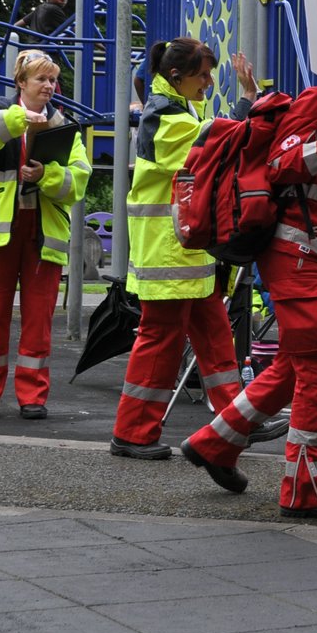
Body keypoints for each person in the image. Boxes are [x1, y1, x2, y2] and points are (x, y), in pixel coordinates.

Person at [180, 83, 317, 519]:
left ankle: (215, 442)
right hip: (298, 256)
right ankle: (307, 491)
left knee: (291, 366)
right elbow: (280, 163)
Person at [107, 39, 255, 459]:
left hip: (186, 251)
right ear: (177, 77)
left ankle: (236, 421)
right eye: (203, 76)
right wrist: (247, 101)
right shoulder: (164, 117)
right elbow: (219, 141)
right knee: (162, 340)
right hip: (168, 253)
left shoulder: (175, 109)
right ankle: (133, 432)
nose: (209, 83)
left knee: (214, 336)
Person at [0, 49, 92, 421]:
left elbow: (78, 182)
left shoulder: (65, 125)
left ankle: (32, 396)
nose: (50, 86)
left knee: (39, 319)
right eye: (42, 79)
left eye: (53, 80)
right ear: (21, 82)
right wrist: (22, 119)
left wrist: (45, 177)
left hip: (42, 234)